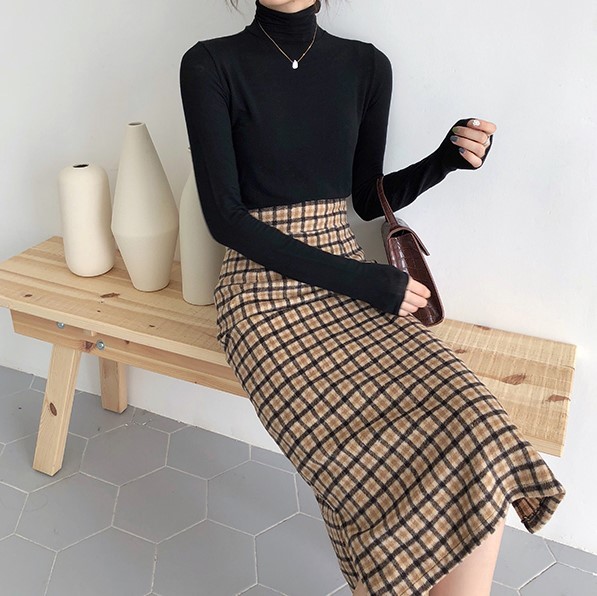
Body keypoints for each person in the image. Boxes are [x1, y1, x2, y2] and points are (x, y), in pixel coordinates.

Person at [179, 1, 566, 594]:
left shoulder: (366, 66)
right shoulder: (209, 64)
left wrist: (443, 162)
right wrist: (367, 283)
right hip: (261, 291)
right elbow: (226, 220)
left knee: (477, 423)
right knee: (365, 470)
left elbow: (364, 199)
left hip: (350, 272)